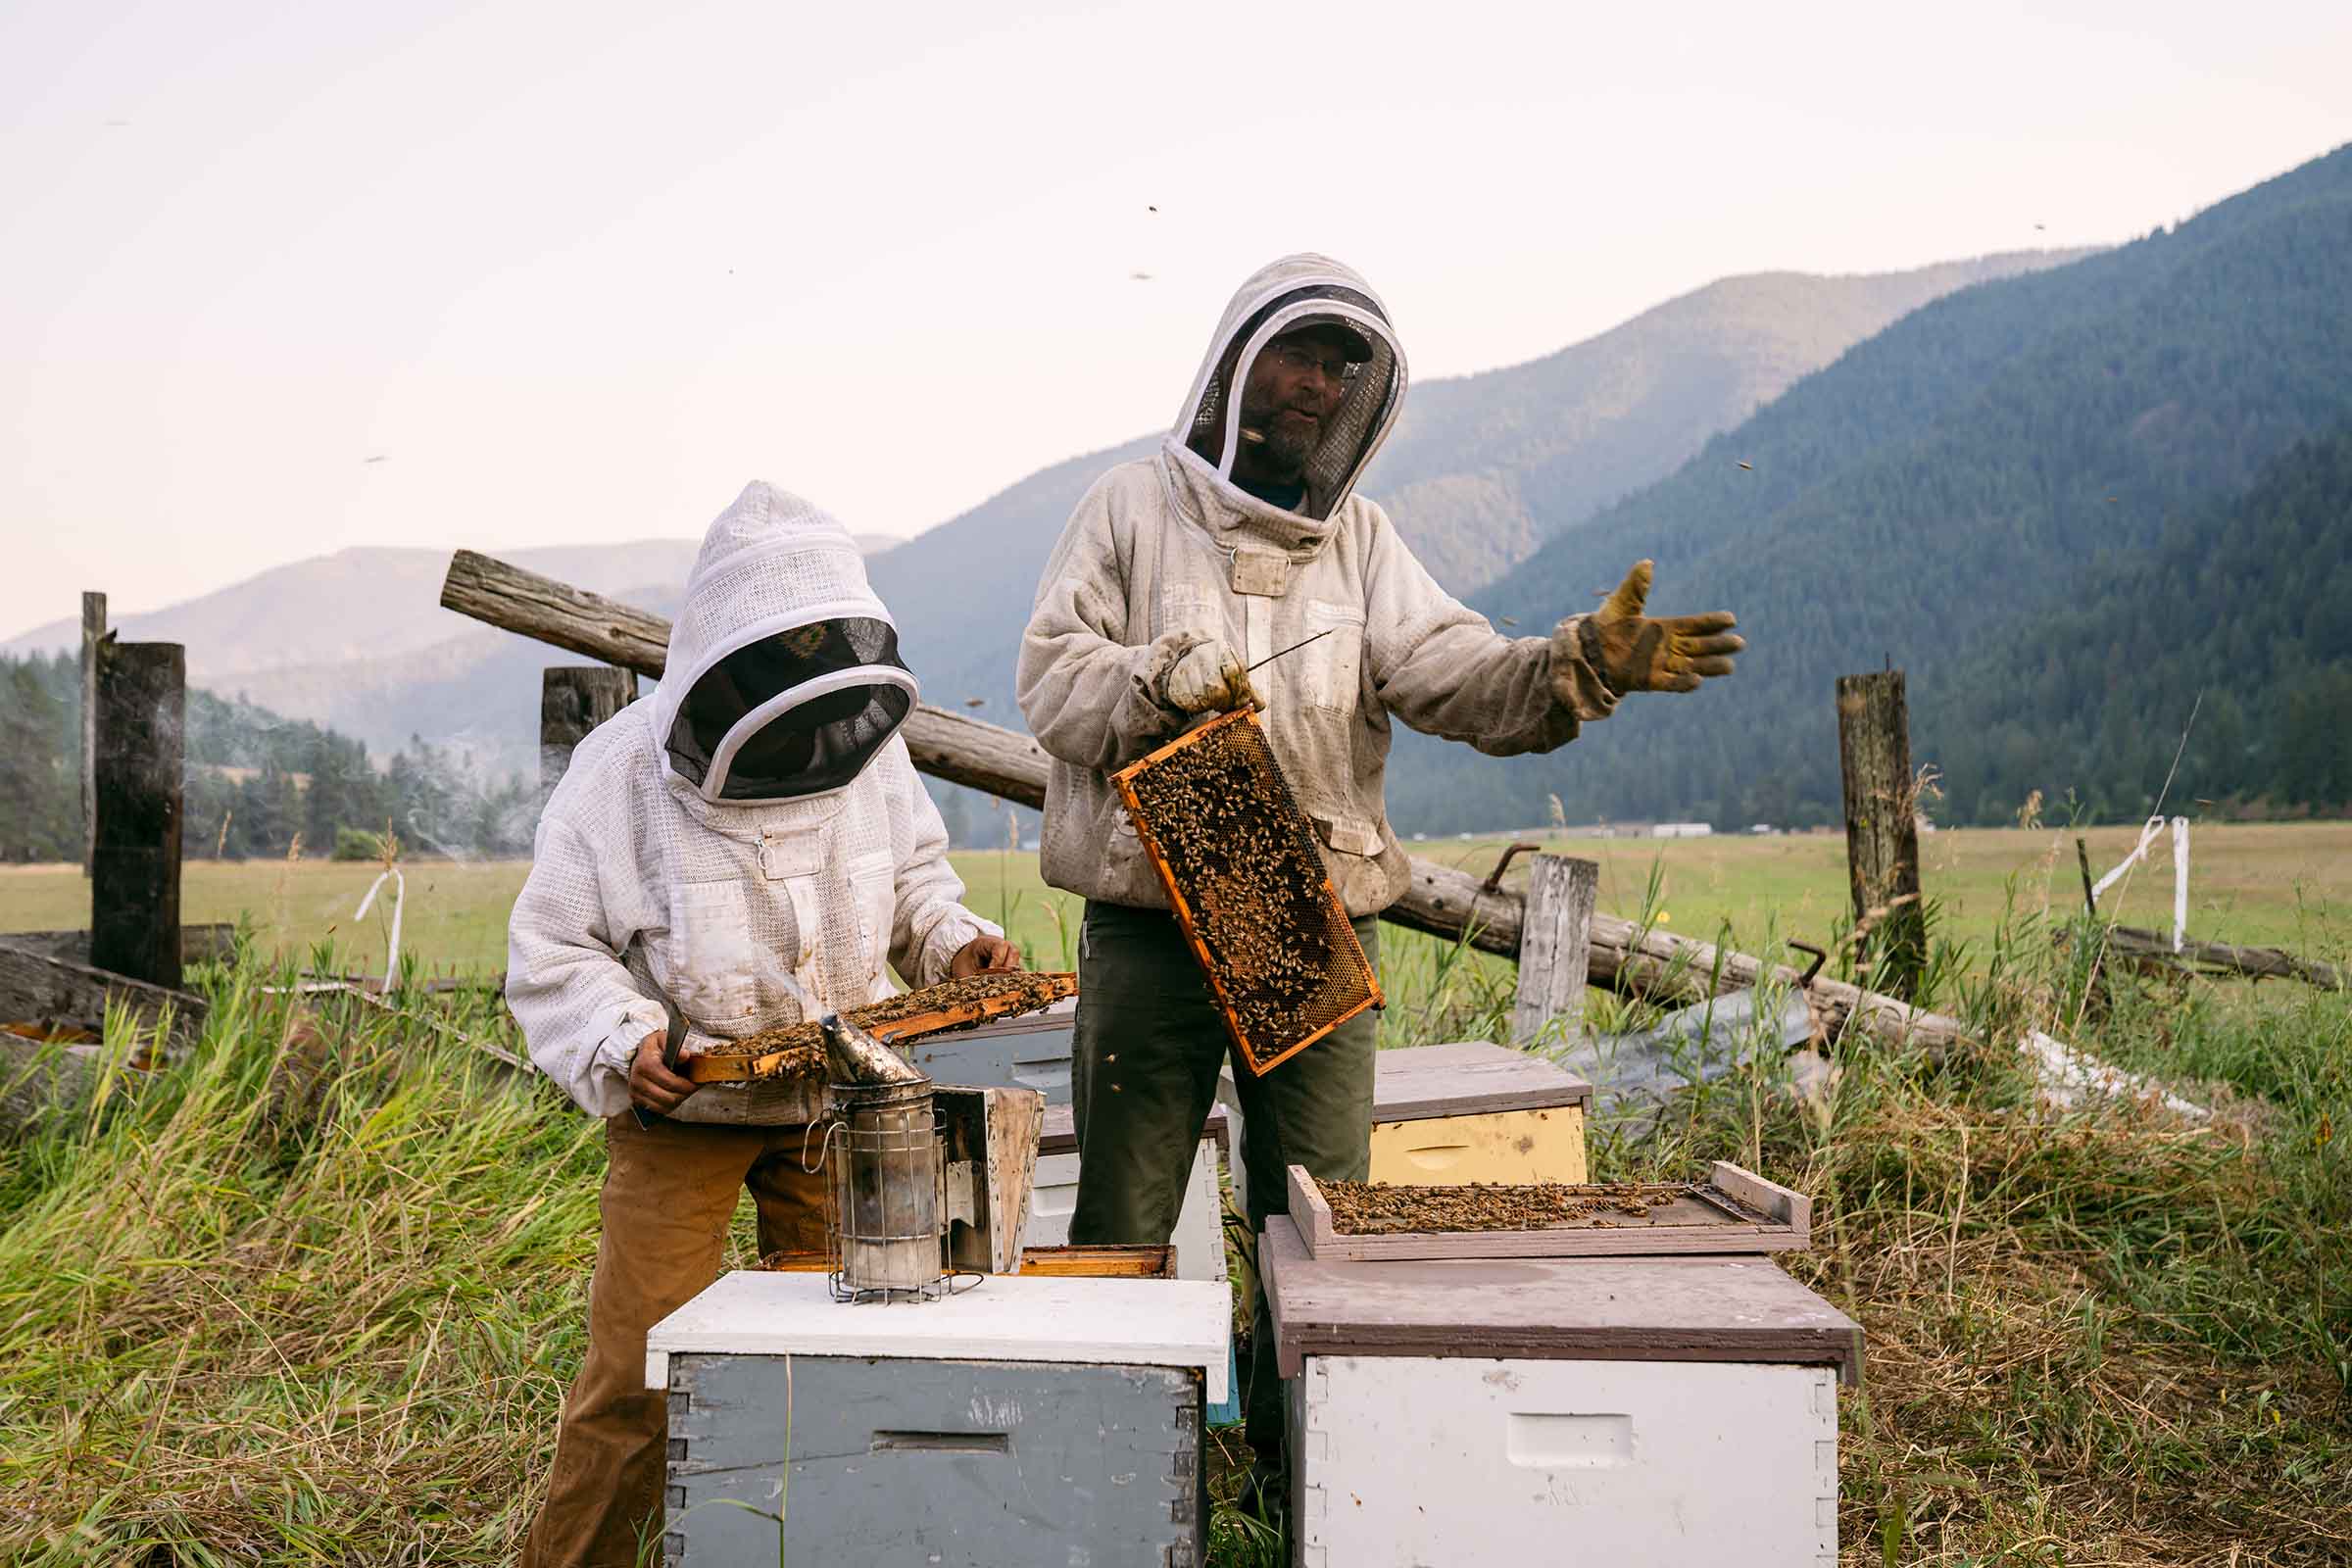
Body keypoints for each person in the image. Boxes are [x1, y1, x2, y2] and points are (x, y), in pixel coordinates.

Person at [1015, 254, 1743, 1514]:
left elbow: (1455, 668)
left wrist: (1578, 663)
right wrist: (1154, 679)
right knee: (1123, 1219)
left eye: (1339, 370)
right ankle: (1118, 1496)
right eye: (1298, 357)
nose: (1317, 385)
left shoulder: (1360, 541)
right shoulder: (1130, 506)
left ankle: (1300, 1489)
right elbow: (1048, 675)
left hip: (1302, 915)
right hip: (1150, 916)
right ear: (1236, 365)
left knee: (1320, 1224)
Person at [508, 481, 1019, 1567]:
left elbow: (915, 882)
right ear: (723, 661)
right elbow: (553, 948)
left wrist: (952, 942)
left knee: (851, 1356)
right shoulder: (621, 776)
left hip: (846, 1104)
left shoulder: (866, 748)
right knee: (641, 1373)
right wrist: (624, 1038)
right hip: (684, 1114)